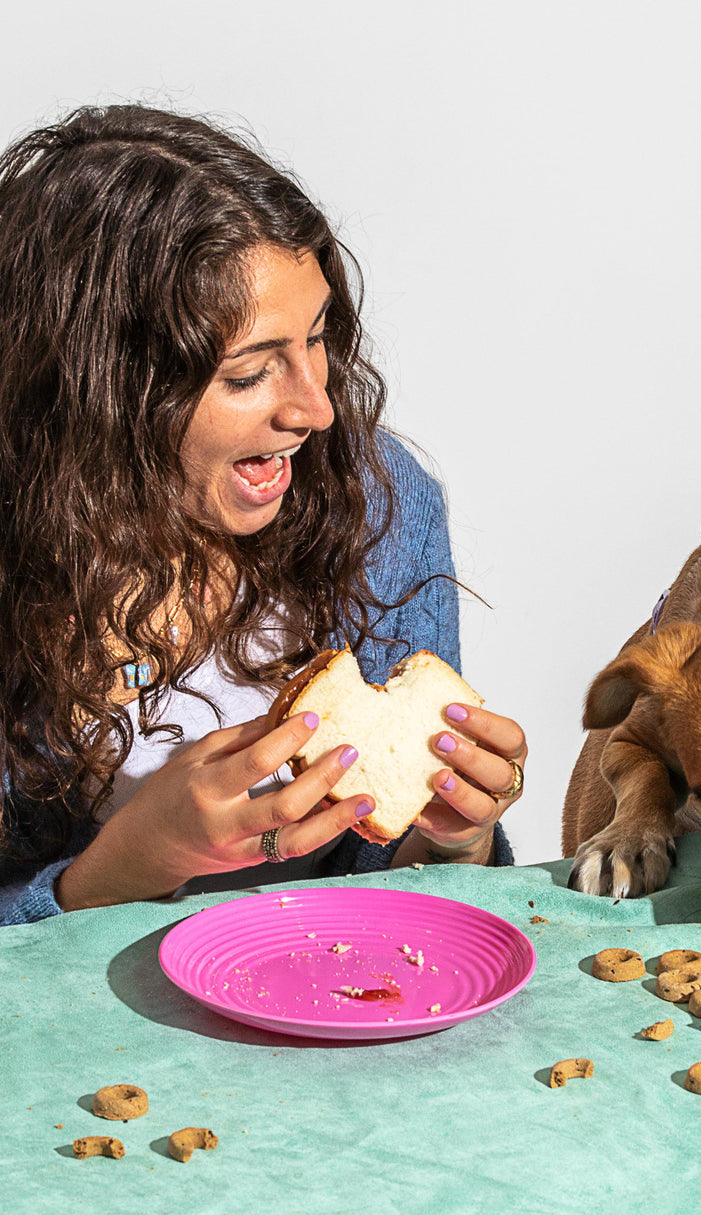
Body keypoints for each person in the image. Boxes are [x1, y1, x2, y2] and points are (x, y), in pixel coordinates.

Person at [0, 104, 527, 927]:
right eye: (249, 374)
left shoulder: (382, 504)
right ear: (98, 394)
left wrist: (456, 839)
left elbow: (387, 880)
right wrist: (123, 865)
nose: (315, 410)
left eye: (316, 339)